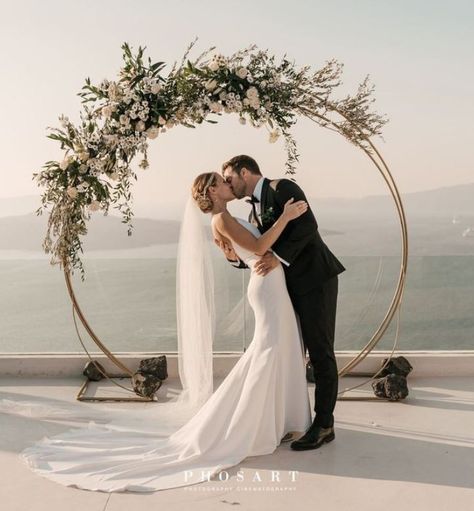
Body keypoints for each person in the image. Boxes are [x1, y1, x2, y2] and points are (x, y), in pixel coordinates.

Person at [13, 171, 312, 493]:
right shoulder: (221, 221)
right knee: (266, 352)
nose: (230, 184)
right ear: (212, 190)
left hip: (272, 284)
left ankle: (279, 421)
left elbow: (250, 251)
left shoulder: (228, 218)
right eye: (223, 182)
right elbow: (259, 245)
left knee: (278, 350)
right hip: (266, 288)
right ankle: (250, 426)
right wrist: (285, 216)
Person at [220, 155, 345, 451]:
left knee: (320, 349)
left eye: (229, 178)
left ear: (245, 172)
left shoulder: (283, 188)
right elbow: (258, 253)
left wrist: (278, 256)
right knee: (293, 351)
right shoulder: (252, 215)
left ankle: (324, 424)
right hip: (287, 290)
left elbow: (308, 226)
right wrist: (233, 256)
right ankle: (292, 418)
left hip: (316, 281)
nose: (228, 184)